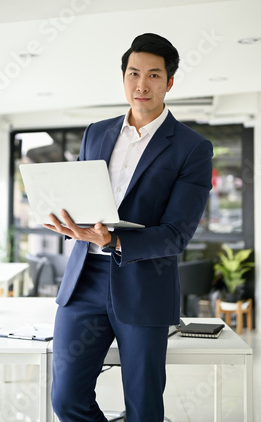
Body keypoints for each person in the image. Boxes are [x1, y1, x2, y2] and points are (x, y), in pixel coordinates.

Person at [43, 33, 213, 421]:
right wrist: (69, 221)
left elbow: (177, 233)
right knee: (66, 400)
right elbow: (85, 201)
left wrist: (114, 239)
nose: (142, 84)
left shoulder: (191, 147)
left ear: (169, 82)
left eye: (154, 75)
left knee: (143, 408)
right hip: (84, 280)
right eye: (134, 73)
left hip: (144, 285)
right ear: (123, 77)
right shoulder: (96, 132)